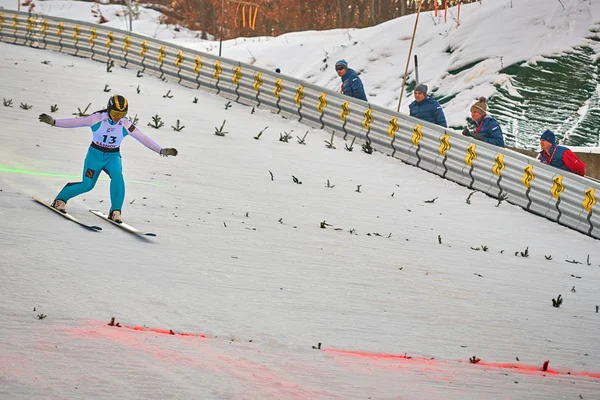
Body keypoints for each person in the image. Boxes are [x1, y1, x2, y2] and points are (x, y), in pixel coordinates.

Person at [38, 94, 178, 223]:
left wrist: (161, 150)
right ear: (109, 109)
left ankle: (115, 211)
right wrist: (54, 121)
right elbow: (76, 122)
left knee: (118, 175)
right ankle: (61, 200)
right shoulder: (97, 118)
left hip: (113, 156)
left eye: (121, 114)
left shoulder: (125, 123)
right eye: (115, 113)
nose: (118, 117)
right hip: (95, 155)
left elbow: (143, 138)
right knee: (87, 185)